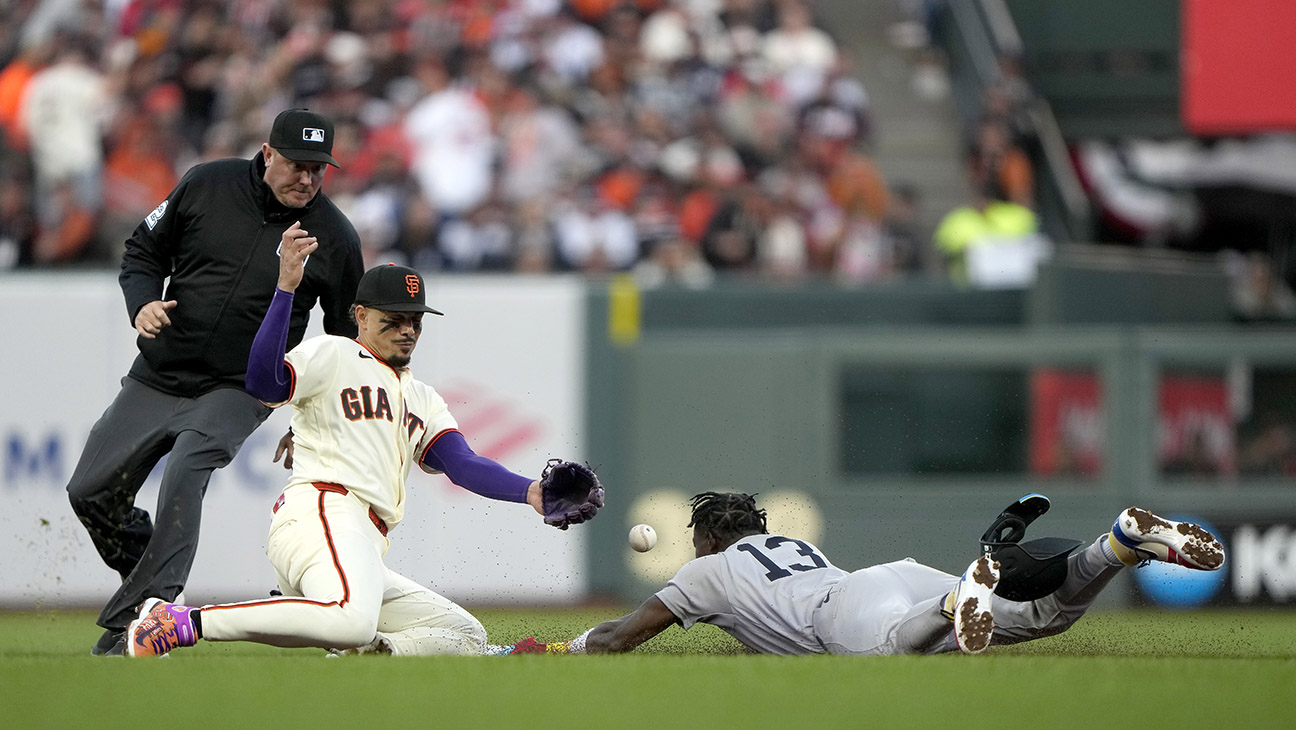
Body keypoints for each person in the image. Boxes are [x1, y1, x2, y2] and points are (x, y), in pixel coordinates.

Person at [122, 252, 603, 658]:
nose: (406, 329)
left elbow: (462, 464)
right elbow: (264, 382)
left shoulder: (424, 398)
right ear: (361, 316)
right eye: (392, 319)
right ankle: (181, 622)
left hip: (364, 543)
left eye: (414, 320)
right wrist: (286, 288)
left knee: (464, 634)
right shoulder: (333, 354)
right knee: (350, 619)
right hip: (322, 512)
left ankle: (374, 654)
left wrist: (531, 491)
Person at [67, 108, 365, 656]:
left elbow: (344, 342)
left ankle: (148, 614)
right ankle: (144, 587)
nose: (308, 179)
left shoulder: (335, 237)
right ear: (267, 153)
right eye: (298, 165)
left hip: (241, 387)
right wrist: (142, 304)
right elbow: (142, 250)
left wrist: (312, 420)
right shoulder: (207, 183)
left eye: (319, 169)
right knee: (89, 491)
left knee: (186, 469)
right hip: (159, 372)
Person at [507, 491, 1224, 656]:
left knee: (885, 656)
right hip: (893, 575)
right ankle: (1117, 548)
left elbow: (624, 637)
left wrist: (565, 649)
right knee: (1041, 618)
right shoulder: (785, 547)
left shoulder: (709, 571)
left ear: (709, 537)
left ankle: (962, 593)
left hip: (847, 610)